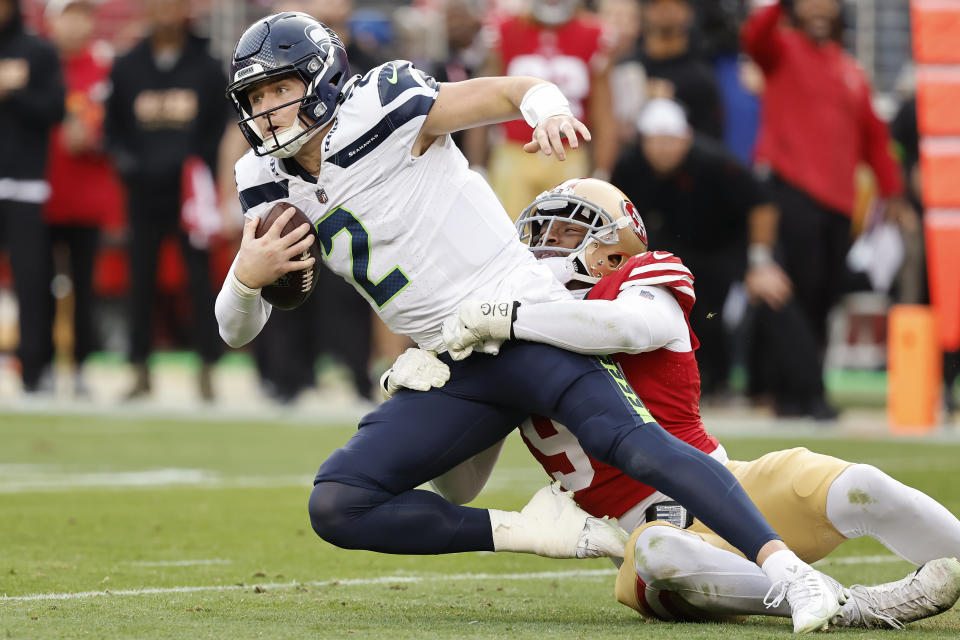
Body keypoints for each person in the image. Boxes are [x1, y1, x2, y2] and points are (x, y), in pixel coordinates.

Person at [215, 12, 846, 633]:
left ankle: (790, 572)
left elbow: (510, 90)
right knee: (338, 502)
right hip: (450, 361)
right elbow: (235, 329)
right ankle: (535, 532)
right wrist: (246, 274)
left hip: (524, 322)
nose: (266, 108)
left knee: (633, 443)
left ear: (322, 80)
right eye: (256, 95)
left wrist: (545, 109)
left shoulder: (382, 103)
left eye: (279, 89)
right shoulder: (263, 177)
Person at [431, 177, 960, 629]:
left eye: (566, 233)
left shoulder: (638, 277)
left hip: (725, 485)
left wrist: (511, 318)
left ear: (616, 250)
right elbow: (459, 487)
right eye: (539, 237)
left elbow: (633, 326)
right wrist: (447, 381)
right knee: (661, 552)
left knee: (861, 485)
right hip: (644, 533)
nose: (544, 250)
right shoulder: (502, 338)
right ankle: (854, 605)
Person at [740, 0, 910, 418]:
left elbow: (874, 138)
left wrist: (894, 194)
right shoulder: (781, 49)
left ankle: (792, 395)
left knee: (821, 300)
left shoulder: (851, 70)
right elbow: (753, 36)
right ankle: (807, 392)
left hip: (839, 206)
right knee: (787, 296)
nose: (819, 9)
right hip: (789, 194)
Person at [611, 98, 792, 397]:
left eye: (670, 140)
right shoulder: (629, 166)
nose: (662, 148)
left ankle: (766, 387)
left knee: (739, 310)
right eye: (655, 140)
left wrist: (760, 262)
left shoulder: (716, 162)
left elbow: (761, 203)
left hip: (728, 250)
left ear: (687, 138)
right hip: (677, 253)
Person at [104, 0, 228, 401]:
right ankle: (140, 370)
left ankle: (207, 369)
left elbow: (218, 126)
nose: (164, 13)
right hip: (143, 193)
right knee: (139, 281)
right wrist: (129, 164)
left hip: (190, 194)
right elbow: (113, 127)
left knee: (200, 282)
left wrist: (197, 166)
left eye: (172, 6)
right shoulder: (128, 65)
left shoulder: (206, 65)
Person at [464, 0, 618, 218]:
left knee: (566, 236)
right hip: (514, 151)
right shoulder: (503, 30)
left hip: (569, 153)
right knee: (512, 234)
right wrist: (477, 165)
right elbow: (483, 102)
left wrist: (602, 169)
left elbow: (603, 111)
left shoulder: (594, 33)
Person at [43, 0, 124, 396]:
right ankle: (37, 365)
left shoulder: (106, 66)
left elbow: (119, 124)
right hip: (40, 194)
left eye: (83, 14)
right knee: (36, 284)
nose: (77, 24)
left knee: (85, 289)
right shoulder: (38, 62)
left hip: (87, 198)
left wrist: (97, 137)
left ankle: (79, 368)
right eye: (69, 15)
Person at [0, 0, 64, 395]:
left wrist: (12, 92)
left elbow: (54, 110)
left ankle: (35, 372)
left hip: (25, 185)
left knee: (32, 281)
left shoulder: (37, 51)